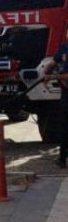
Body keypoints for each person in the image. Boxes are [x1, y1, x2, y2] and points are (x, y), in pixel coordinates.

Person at [42, 32, 68, 167]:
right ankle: (62, 159)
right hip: (66, 94)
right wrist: (46, 72)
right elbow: (52, 63)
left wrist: (52, 77)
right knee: (65, 127)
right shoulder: (64, 48)